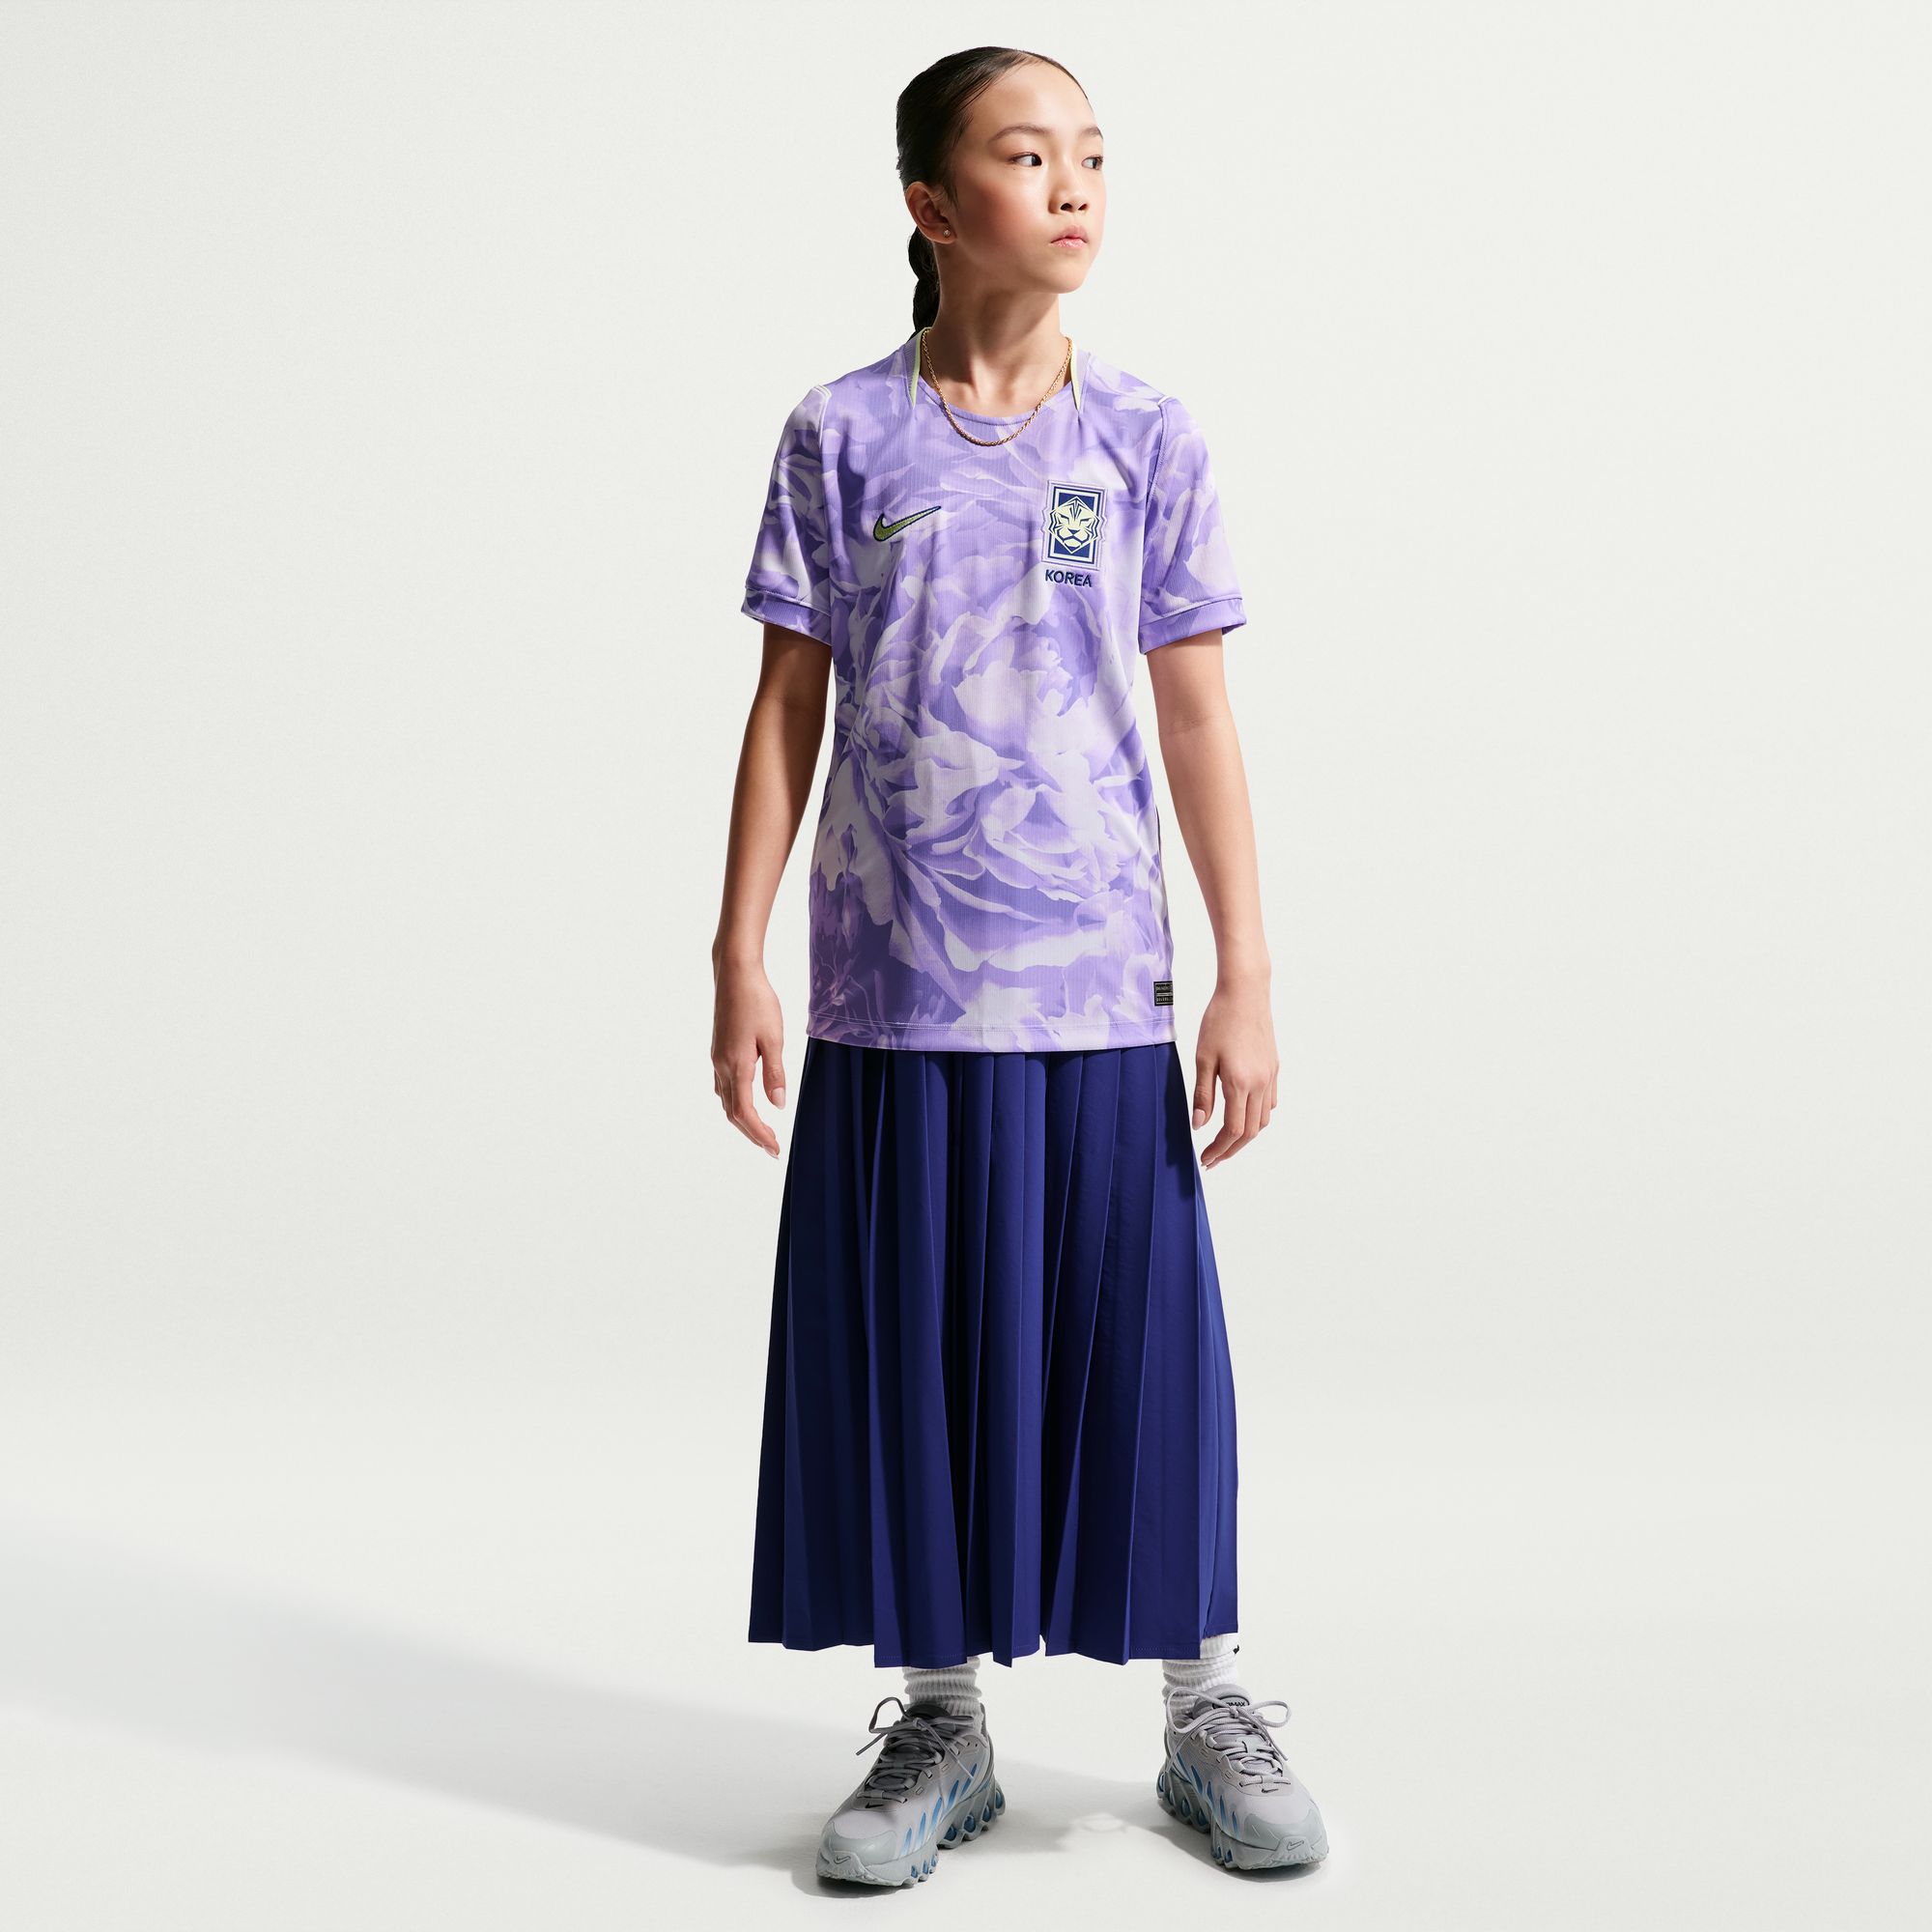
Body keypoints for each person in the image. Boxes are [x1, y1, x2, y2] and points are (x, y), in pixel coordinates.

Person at [711, 44, 1328, 1885]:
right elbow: (788, 706)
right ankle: (939, 1721)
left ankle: (1204, 1702)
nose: (1074, 188)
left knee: (1139, 1354)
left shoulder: (1145, 437)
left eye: (1094, 157)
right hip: (894, 994)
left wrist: (1245, 974)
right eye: (1027, 154)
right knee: (916, 1359)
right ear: (930, 203)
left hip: (1099, 990)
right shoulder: (841, 435)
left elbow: (1198, 716)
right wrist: (738, 949)